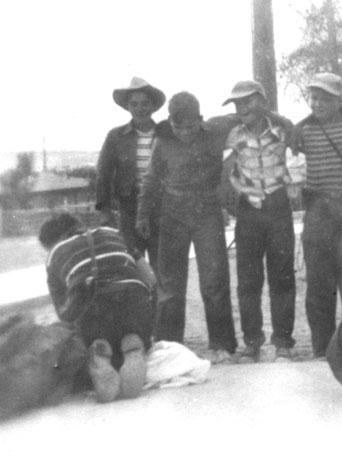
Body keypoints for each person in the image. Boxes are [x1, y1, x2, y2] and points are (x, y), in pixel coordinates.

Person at [136, 92, 237, 364]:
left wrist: (281, 122)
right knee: (169, 285)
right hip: (172, 215)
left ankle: (222, 344)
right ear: (170, 122)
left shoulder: (217, 128)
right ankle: (170, 346)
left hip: (208, 213)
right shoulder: (162, 141)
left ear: (201, 120)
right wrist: (143, 215)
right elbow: (151, 180)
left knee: (214, 281)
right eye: (178, 127)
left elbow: (249, 113)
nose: (184, 133)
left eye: (191, 127)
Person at [292, 73, 342, 357]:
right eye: (314, 97)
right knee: (318, 284)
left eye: (325, 98)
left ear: (340, 101)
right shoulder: (302, 131)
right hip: (317, 210)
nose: (318, 103)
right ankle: (322, 348)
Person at [39, 213, 155, 402]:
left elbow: (64, 313)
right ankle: (135, 345)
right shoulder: (113, 232)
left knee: (86, 335)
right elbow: (150, 279)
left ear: (52, 243)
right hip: (134, 305)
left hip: (95, 315)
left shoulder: (55, 254)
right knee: (133, 330)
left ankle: (99, 351)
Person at [222, 80, 297, 362]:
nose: (242, 107)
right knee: (248, 280)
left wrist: (274, 116)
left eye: (248, 101)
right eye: (237, 103)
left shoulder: (282, 130)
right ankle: (252, 342)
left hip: (278, 206)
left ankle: (283, 342)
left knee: (282, 276)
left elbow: (293, 130)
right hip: (248, 211)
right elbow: (225, 169)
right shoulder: (231, 134)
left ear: (263, 102)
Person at [96, 77, 168, 268]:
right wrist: (104, 210)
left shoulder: (165, 134)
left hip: (161, 209)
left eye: (145, 104)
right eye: (134, 104)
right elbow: (104, 173)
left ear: (153, 106)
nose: (140, 109)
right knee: (133, 264)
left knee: (162, 266)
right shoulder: (116, 136)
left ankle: (159, 299)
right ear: (128, 107)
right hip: (129, 211)